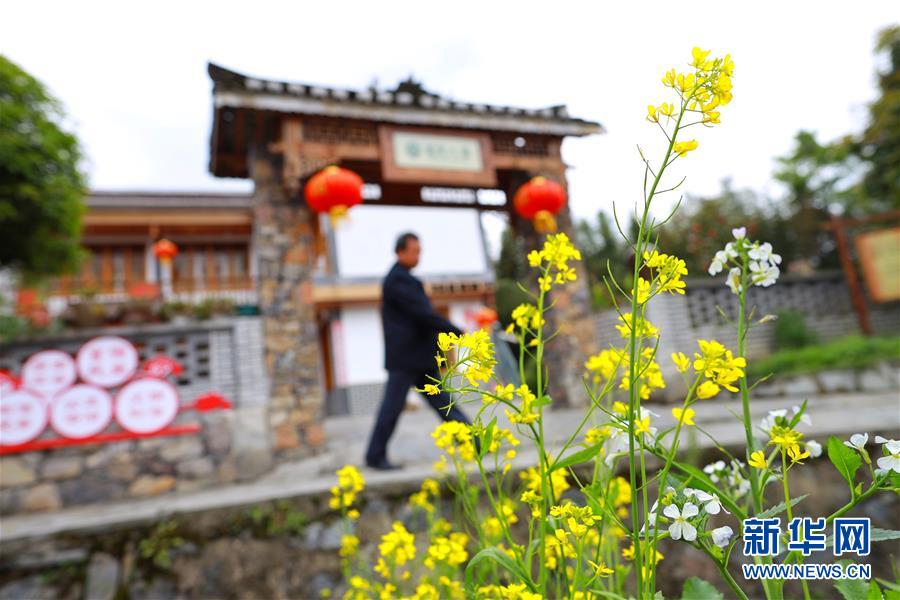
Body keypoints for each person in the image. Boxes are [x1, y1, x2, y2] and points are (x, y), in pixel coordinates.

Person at [364, 232, 471, 470]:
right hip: (406, 358)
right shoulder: (399, 280)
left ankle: (471, 441)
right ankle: (374, 455)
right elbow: (423, 314)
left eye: (419, 252)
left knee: (443, 402)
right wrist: (454, 330)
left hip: (417, 357)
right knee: (393, 407)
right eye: (415, 252)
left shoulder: (402, 279)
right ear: (400, 252)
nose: (418, 256)